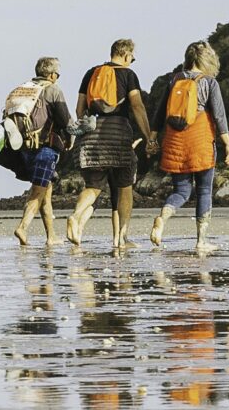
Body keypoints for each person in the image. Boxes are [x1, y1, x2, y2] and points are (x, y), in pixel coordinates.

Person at [67, 39, 159, 251]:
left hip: (91, 136)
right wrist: (149, 137)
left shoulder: (91, 73)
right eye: (132, 58)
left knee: (93, 186)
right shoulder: (128, 75)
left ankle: (75, 216)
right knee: (124, 186)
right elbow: (137, 106)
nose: (132, 61)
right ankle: (122, 239)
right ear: (127, 55)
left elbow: (80, 109)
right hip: (117, 134)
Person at [149, 41, 229, 254]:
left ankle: (162, 218)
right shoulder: (209, 82)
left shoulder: (174, 80)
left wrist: (152, 138)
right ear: (208, 59)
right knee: (204, 190)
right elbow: (219, 116)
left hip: (175, 141)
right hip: (200, 141)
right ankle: (201, 241)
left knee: (181, 190)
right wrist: (228, 146)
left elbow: (160, 113)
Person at [12, 57, 76, 247]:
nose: (57, 77)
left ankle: (51, 237)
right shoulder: (52, 89)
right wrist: (70, 139)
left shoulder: (25, 89)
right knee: (38, 191)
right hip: (45, 149)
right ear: (51, 74)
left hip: (24, 148)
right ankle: (22, 227)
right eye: (57, 73)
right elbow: (66, 120)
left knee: (45, 191)